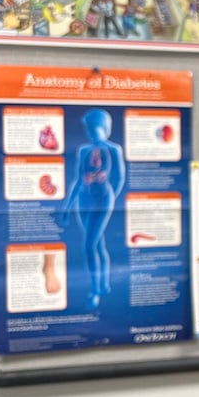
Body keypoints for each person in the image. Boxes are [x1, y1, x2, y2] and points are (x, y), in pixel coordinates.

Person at [59, 108, 125, 310]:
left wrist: (110, 195)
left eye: (96, 128)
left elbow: (119, 178)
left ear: (105, 128)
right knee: (96, 244)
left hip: (103, 199)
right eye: (90, 129)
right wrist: (67, 207)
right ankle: (103, 284)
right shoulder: (83, 150)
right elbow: (78, 180)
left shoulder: (114, 149)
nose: (92, 133)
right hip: (84, 201)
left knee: (89, 245)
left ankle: (94, 290)